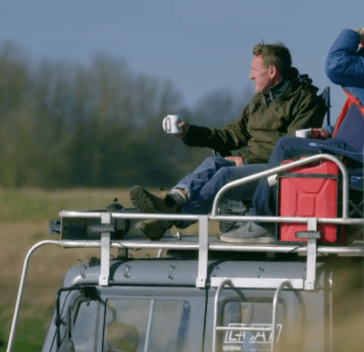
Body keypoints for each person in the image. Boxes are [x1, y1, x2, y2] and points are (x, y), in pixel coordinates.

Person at [220, 17, 364, 243]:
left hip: (358, 155)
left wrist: (352, 34)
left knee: (286, 146)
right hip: (355, 147)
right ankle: (269, 215)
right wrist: (329, 132)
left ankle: (262, 221)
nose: (360, 45)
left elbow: (335, 66)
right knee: (291, 147)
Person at [130, 42, 327, 240]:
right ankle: (171, 202)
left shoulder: (306, 101)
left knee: (225, 174)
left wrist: (247, 161)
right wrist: (190, 132)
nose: (250, 76)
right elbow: (232, 134)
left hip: (276, 173)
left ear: (272, 71)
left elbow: (292, 149)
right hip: (255, 166)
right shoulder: (259, 101)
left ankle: (175, 218)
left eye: (254, 70)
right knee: (212, 163)